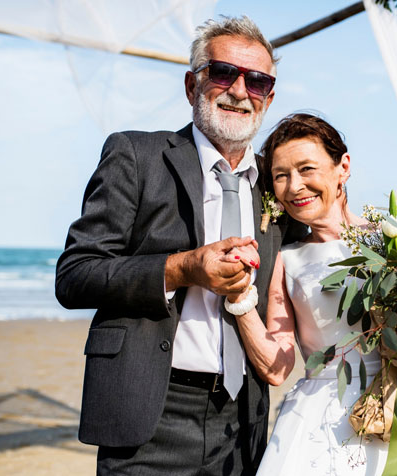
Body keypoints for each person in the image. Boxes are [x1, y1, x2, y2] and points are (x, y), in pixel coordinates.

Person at [56, 16, 304, 476]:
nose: (239, 90)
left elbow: (319, 266)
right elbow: (75, 274)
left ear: (269, 97)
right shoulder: (136, 155)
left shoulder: (278, 182)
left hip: (245, 419)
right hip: (151, 412)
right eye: (223, 73)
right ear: (193, 85)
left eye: (258, 81)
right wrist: (183, 268)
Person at [225, 113, 397, 475]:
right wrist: (238, 299)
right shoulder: (287, 259)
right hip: (318, 421)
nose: (295, 186)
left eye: (307, 169)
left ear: (342, 166)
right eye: (281, 175)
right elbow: (278, 368)